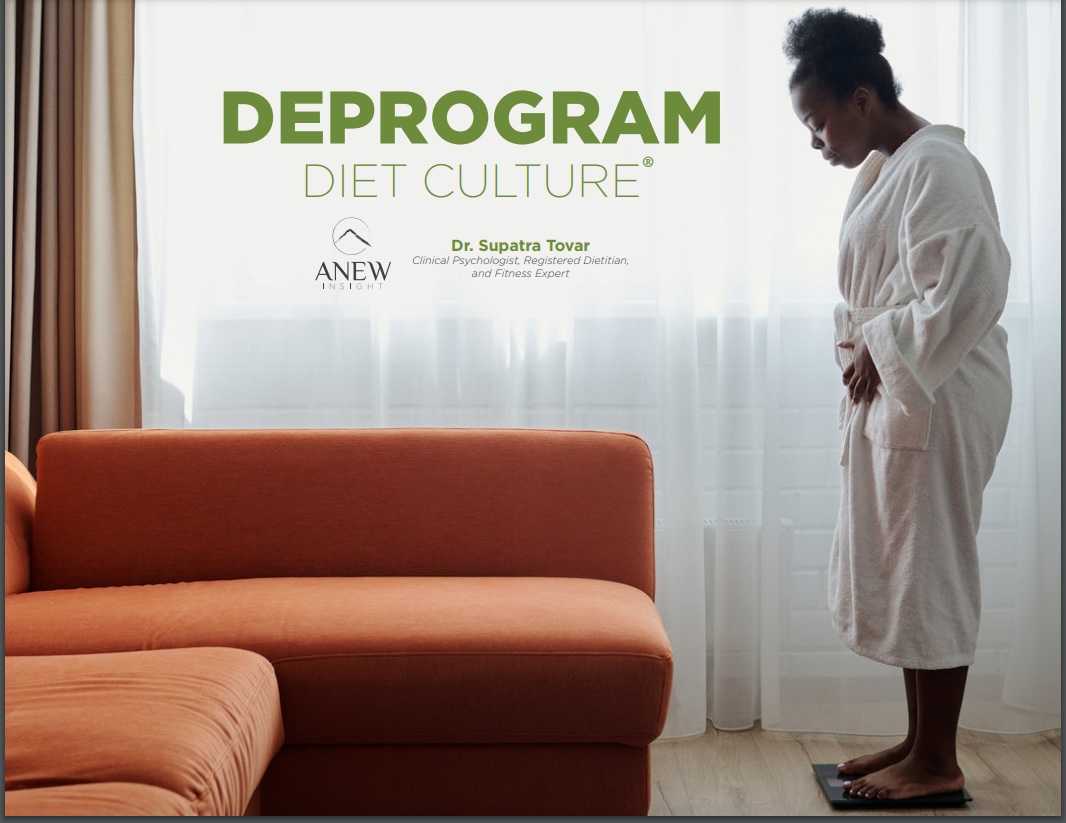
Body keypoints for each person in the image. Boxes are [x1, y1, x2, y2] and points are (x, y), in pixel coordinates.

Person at [783, 7, 1012, 802]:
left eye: (818, 122)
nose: (816, 142)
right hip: (910, 385)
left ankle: (939, 760)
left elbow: (971, 287)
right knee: (908, 565)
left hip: (942, 392)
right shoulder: (893, 167)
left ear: (861, 98)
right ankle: (919, 740)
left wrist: (882, 345)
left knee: (932, 565)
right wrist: (872, 347)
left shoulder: (939, 166)